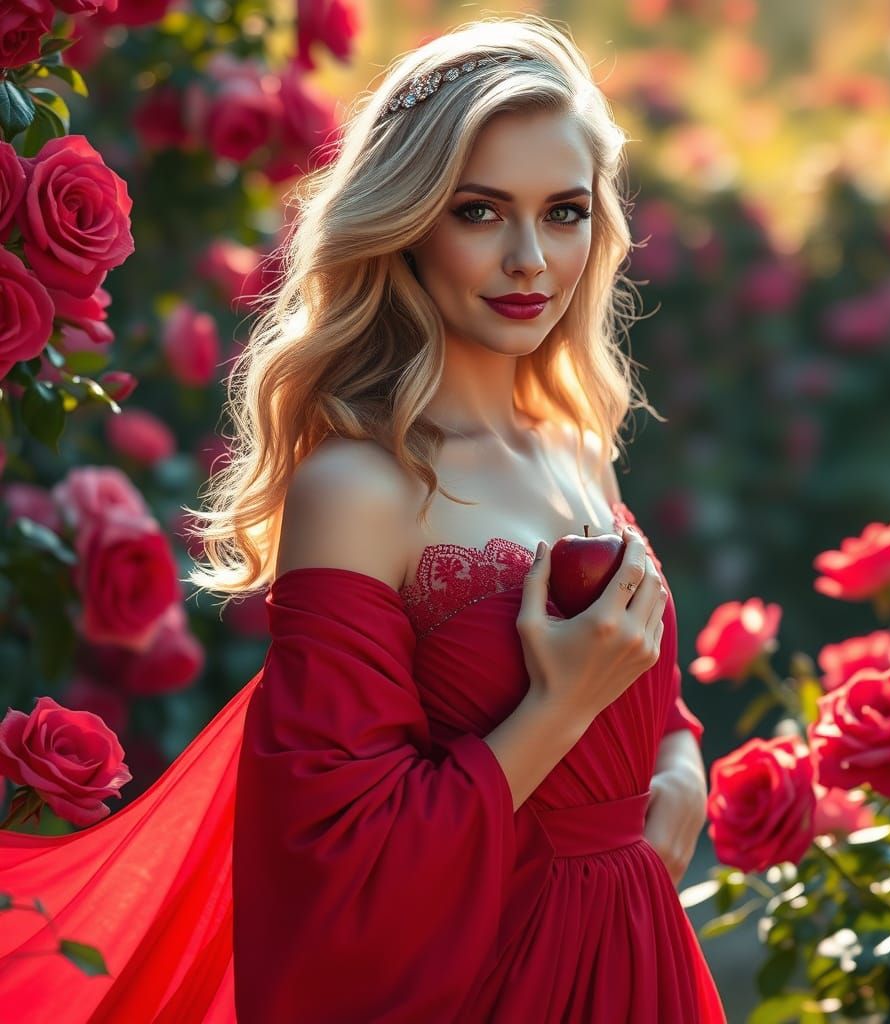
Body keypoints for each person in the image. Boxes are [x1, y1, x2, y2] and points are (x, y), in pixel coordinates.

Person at [0, 14, 725, 1023]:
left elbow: (642, 688)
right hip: (489, 989)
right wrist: (555, 711)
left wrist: (681, 767)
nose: (529, 258)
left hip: (638, 963)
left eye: (564, 212)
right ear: (408, 221)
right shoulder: (358, 487)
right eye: (479, 211)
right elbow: (336, 866)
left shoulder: (576, 444)